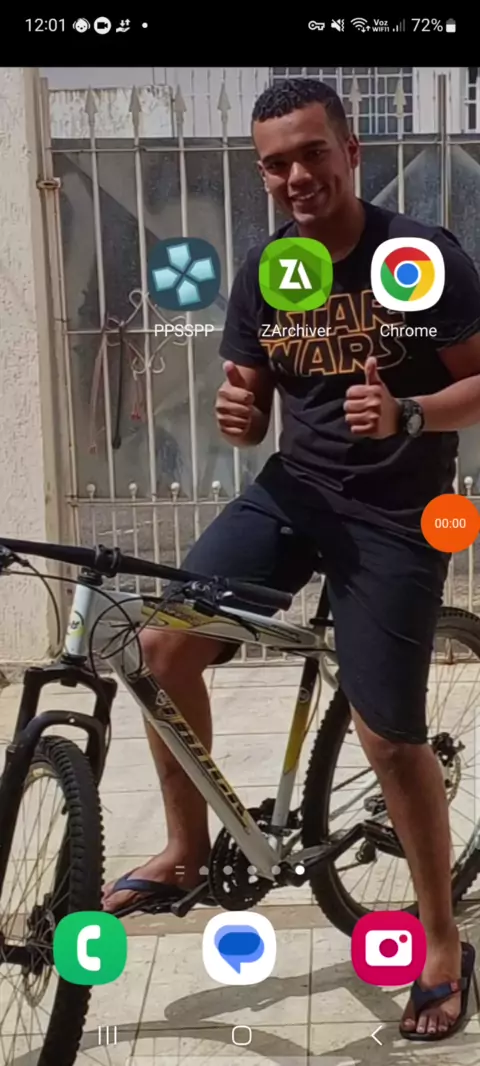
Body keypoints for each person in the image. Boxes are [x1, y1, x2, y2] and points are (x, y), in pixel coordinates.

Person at [103, 78, 480, 1040]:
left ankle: (441, 942)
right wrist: (239, 413)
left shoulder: (418, 257)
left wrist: (409, 413)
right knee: (162, 647)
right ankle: (186, 850)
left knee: (388, 737)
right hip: (293, 491)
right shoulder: (271, 266)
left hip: (397, 513)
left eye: (313, 153)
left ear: (352, 151)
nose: (296, 175)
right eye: (276, 164)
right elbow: (252, 401)